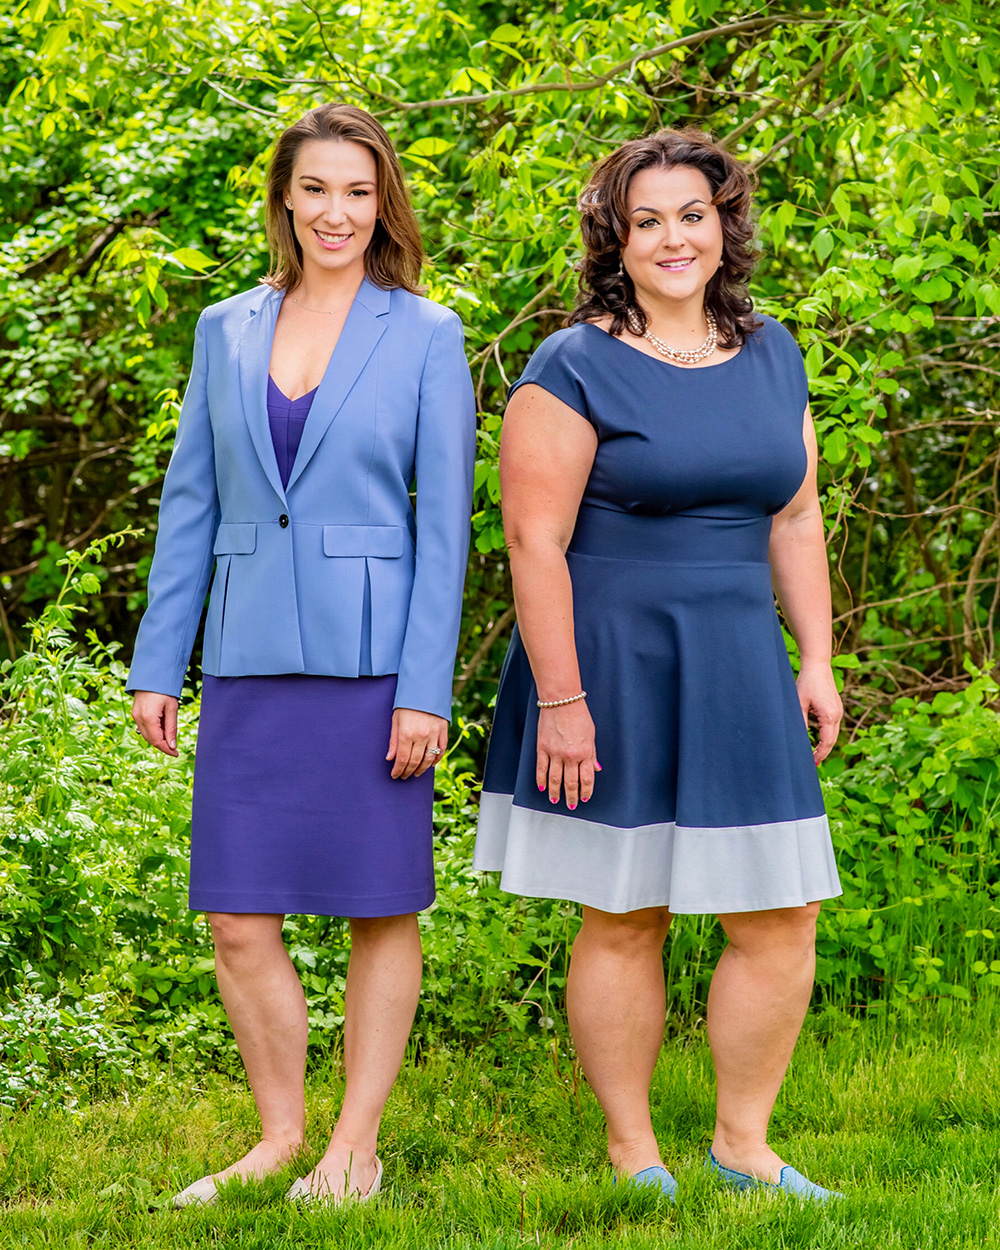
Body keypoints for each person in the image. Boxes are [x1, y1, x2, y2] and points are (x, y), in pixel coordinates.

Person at [474, 128, 843, 1202]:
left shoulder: (773, 350)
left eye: (694, 214)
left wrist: (814, 656)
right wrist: (562, 699)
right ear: (616, 240)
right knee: (624, 907)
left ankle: (744, 1145)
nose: (674, 237)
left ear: (725, 226)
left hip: (738, 655)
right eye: (648, 221)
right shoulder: (572, 362)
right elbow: (533, 540)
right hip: (611, 659)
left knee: (779, 911)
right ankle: (633, 1152)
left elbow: (797, 509)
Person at [128, 103, 475, 1206]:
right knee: (238, 912)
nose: (336, 211)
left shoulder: (425, 332)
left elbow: (445, 528)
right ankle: (280, 1134)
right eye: (316, 188)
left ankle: (353, 1146)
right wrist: (156, 656)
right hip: (246, 653)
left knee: (381, 902)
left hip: (375, 664)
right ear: (285, 194)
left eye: (358, 192)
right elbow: (191, 498)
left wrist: (426, 686)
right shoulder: (224, 325)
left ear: (384, 205)